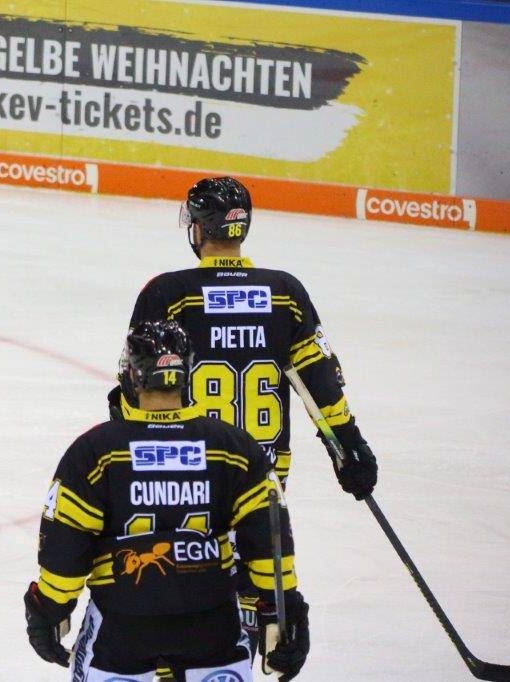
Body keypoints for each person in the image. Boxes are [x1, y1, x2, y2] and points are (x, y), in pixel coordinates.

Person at [111, 176, 377, 655]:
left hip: (186, 472)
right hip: (262, 475)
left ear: (199, 228)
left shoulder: (169, 292)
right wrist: (348, 445)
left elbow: (135, 391)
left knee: (185, 585)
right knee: (256, 586)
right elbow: (320, 382)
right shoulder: (285, 292)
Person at [25, 320, 310, 681]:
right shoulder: (235, 448)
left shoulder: (96, 451)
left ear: (133, 375)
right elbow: (269, 540)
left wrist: (48, 608)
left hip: (121, 631)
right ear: (185, 374)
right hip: (213, 627)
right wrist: (285, 609)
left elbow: (66, 548)